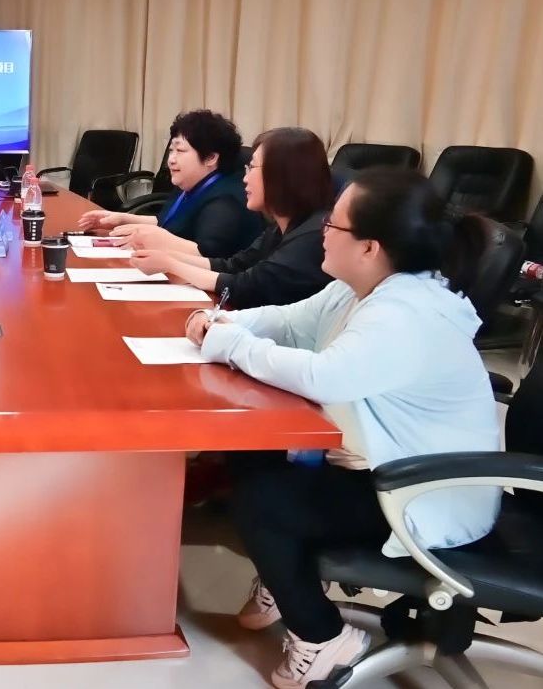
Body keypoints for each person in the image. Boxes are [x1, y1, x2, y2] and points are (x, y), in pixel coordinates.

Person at [187, 167, 500, 688]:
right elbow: (291, 320)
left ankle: (323, 638)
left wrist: (228, 344)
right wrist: (222, 321)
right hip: (390, 466)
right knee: (251, 454)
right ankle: (285, 579)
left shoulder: (407, 314)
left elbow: (323, 376)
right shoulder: (365, 288)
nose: (323, 231)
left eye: (334, 223)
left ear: (370, 247)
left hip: (425, 492)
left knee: (265, 501)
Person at [128, 127, 335, 309]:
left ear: (282, 175)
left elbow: (245, 286)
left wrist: (171, 264)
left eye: (252, 167)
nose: (245, 178)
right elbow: (233, 266)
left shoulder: (312, 236)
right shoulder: (279, 227)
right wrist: (166, 257)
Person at [78, 110, 262, 258]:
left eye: (180, 151)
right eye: (171, 150)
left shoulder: (225, 201)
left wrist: (154, 238)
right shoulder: (190, 184)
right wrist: (120, 219)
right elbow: (168, 222)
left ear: (210, 158)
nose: (171, 160)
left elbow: (206, 254)